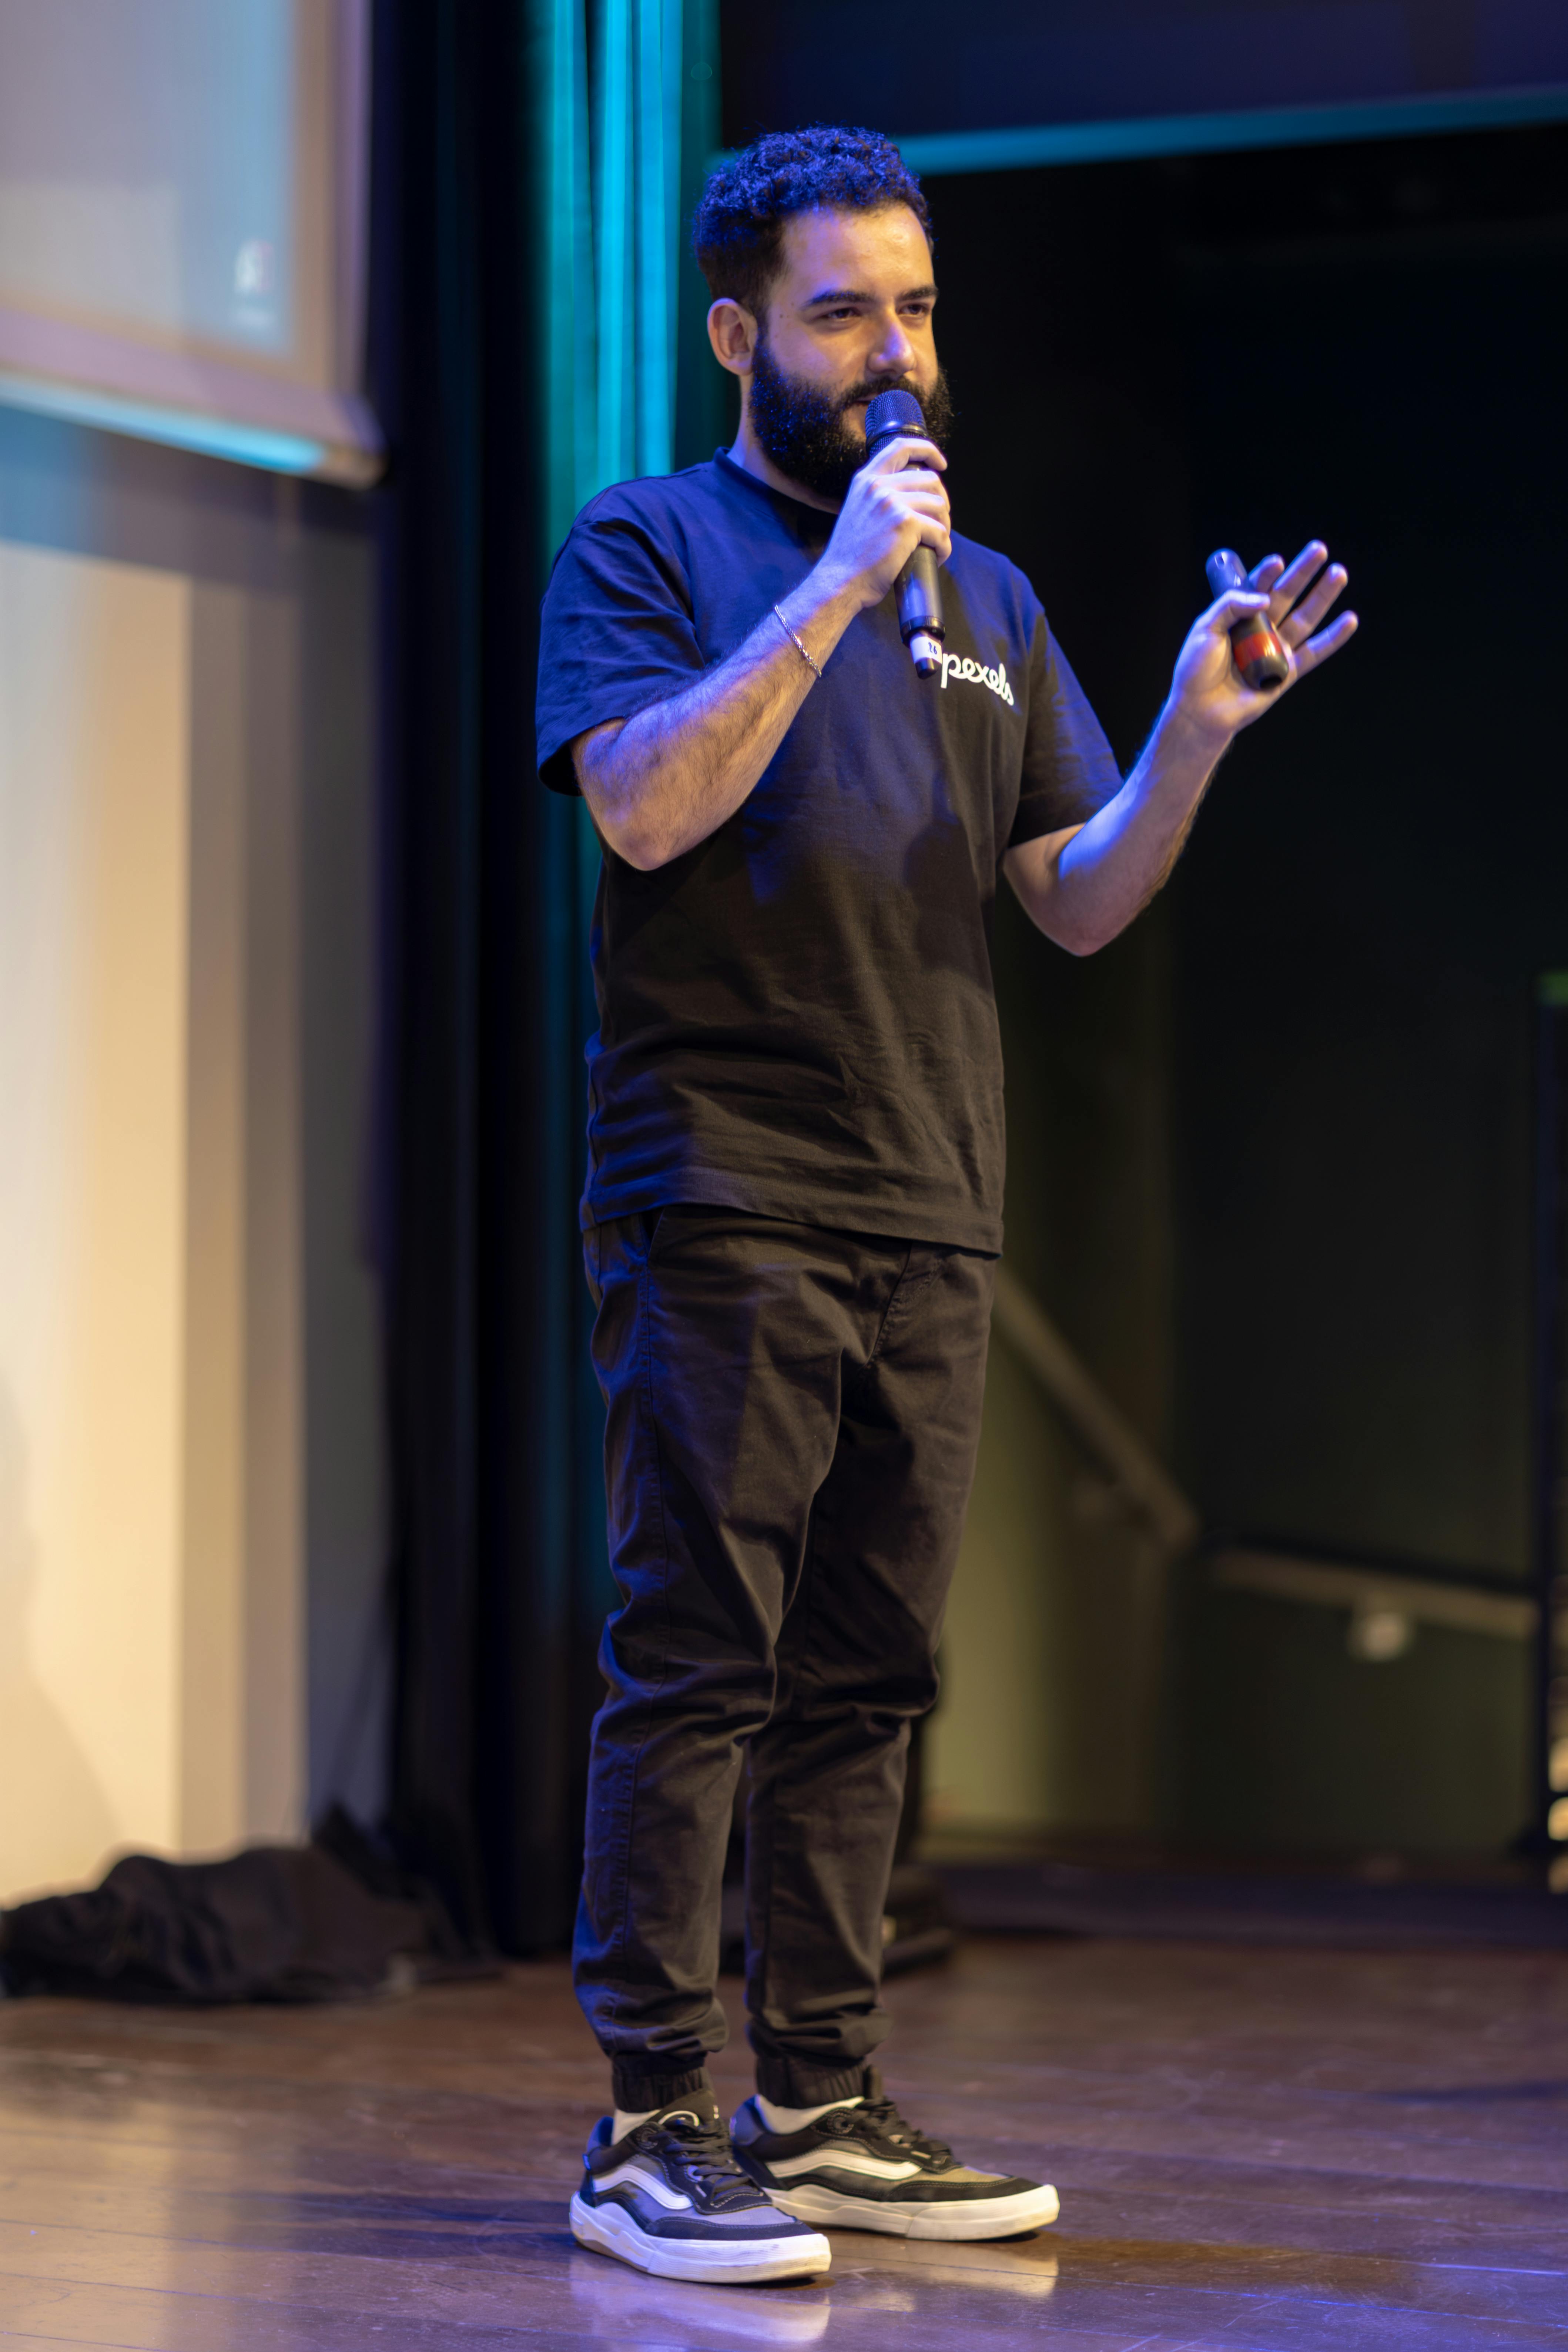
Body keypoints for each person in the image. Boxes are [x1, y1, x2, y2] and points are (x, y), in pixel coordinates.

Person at [535, 124, 1356, 2288]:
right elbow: (640, 811)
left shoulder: (988, 600)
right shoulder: (648, 543)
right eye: (843, 315)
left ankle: (817, 2104)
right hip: (725, 1183)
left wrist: (1193, 729)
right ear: (740, 337)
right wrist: (828, 587)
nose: (895, 352)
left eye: (914, 306)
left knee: (872, 1670)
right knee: (699, 1656)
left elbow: (1072, 901)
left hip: (932, 1193)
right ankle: (645, 2121)